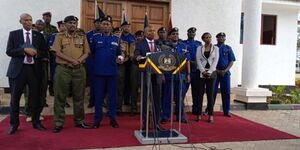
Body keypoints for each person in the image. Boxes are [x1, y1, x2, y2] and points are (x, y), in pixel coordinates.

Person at [6, 13, 47, 135]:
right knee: (15, 99)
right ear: (20, 21)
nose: (28, 22)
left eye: (30, 20)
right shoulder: (14, 34)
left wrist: (36, 53)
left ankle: (36, 122)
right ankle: (14, 124)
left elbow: (44, 52)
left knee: (35, 98)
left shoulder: (38, 36)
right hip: (18, 70)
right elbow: (9, 51)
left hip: (34, 70)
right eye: (26, 20)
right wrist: (23, 50)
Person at [50, 15, 92, 133]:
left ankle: (79, 121)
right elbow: (56, 51)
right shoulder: (59, 36)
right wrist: (71, 60)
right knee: (60, 97)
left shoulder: (82, 36)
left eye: (74, 23)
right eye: (70, 23)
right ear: (65, 24)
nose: (73, 25)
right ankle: (58, 122)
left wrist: (78, 61)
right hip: (63, 70)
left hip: (79, 69)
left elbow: (87, 52)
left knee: (79, 97)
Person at [92, 16, 123, 128]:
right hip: (98, 73)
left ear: (111, 26)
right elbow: (91, 53)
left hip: (112, 73)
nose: (105, 26)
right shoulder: (95, 38)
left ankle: (112, 118)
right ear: (100, 26)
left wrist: (120, 58)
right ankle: (97, 120)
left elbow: (120, 53)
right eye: (104, 24)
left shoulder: (116, 39)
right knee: (98, 97)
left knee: (112, 97)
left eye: (108, 24)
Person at [134, 25, 163, 130]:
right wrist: (137, 57)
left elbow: (162, 58)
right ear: (145, 33)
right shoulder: (140, 43)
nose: (152, 32)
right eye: (150, 31)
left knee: (157, 100)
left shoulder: (158, 43)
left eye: (153, 31)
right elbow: (136, 54)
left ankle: (156, 123)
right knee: (145, 100)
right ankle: (145, 122)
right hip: (145, 75)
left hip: (157, 76)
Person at [160, 27, 191, 124]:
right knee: (167, 97)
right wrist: (162, 74)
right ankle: (165, 116)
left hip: (180, 76)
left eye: (177, 34)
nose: (175, 35)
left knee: (180, 98)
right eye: (173, 34)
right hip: (169, 76)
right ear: (169, 36)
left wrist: (188, 74)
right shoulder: (164, 47)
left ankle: (180, 116)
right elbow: (161, 61)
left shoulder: (183, 46)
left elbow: (187, 61)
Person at [196, 32, 219, 123]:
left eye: (209, 37)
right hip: (201, 73)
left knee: (210, 95)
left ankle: (210, 115)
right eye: (206, 37)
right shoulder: (199, 48)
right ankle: (198, 114)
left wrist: (209, 71)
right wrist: (203, 71)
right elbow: (198, 60)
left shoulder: (216, 48)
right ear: (203, 39)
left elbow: (216, 60)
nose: (208, 38)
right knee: (200, 95)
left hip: (212, 73)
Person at [212, 32, 236, 117]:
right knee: (212, 92)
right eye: (219, 37)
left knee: (226, 92)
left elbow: (231, 61)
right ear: (217, 38)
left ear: (225, 39)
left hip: (225, 73)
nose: (221, 38)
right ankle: (209, 110)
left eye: (223, 37)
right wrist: (217, 70)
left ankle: (227, 111)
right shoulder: (213, 48)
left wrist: (225, 71)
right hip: (215, 73)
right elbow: (210, 61)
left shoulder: (228, 48)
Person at [183, 27, 202, 115]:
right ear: (187, 33)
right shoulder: (183, 43)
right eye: (190, 32)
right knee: (183, 91)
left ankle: (196, 109)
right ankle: (180, 108)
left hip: (196, 71)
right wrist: (190, 61)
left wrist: (197, 62)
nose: (192, 34)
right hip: (186, 70)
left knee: (196, 91)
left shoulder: (199, 43)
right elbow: (183, 55)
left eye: (193, 33)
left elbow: (202, 56)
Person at [86, 18, 102, 108]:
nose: (98, 25)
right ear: (94, 24)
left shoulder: (103, 35)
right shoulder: (88, 34)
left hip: (101, 61)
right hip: (91, 61)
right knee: (93, 82)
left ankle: (100, 100)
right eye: (97, 23)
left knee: (101, 82)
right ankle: (92, 100)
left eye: (100, 23)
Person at [120, 21, 136, 107]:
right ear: (122, 27)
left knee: (128, 82)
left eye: (128, 26)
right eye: (125, 26)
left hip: (130, 63)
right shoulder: (119, 36)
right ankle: (119, 101)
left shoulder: (133, 37)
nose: (127, 28)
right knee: (120, 83)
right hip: (121, 63)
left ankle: (126, 99)